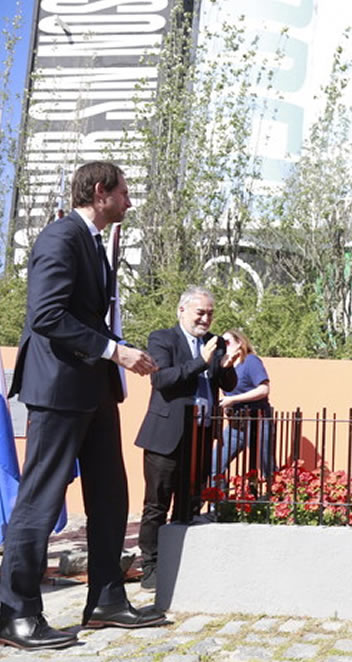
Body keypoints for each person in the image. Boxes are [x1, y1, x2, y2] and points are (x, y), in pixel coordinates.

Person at [0, 161, 165, 650]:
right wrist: (115, 351)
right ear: (100, 192)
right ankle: (18, 614)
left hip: (94, 390)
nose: (129, 203)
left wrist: (122, 350)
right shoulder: (60, 238)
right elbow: (46, 315)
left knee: (111, 495)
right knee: (41, 499)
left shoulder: (93, 242)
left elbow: (85, 316)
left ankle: (107, 598)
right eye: (124, 194)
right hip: (58, 389)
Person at [135, 287, 236, 590]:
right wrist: (201, 363)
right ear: (182, 311)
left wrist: (227, 367)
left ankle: (184, 561)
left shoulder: (214, 343)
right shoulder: (162, 339)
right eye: (200, 313)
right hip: (166, 436)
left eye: (209, 313)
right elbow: (160, 379)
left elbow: (226, 383)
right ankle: (150, 566)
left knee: (191, 501)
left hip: (201, 435)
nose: (205, 319)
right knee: (157, 504)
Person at [213, 329, 274, 478]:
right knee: (215, 466)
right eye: (222, 343)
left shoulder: (250, 361)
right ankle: (218, 500)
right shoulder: (226, 367)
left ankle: (274, 499)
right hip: (236, 424)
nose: (224, 346)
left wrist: (233, 399)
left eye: (227, 342)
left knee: (267, 468)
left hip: (258, 422)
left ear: (239, 342)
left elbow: (264, 389)